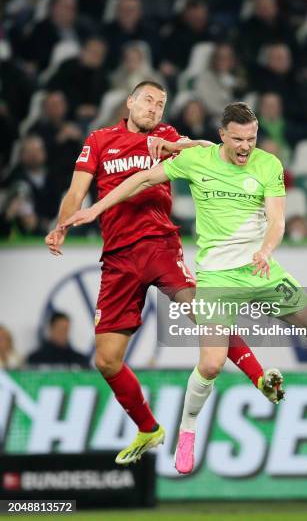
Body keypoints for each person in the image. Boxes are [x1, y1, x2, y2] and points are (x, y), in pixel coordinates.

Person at [62, 101, 307, 476]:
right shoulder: (198, 161)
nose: (246, 146)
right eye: (238, 139)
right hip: (217, 277)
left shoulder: (268, 165)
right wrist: (96, 208)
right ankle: (187, 432)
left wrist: (265, 250)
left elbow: (277, 220)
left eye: (251, 138)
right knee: (212, 364)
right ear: (222, 136)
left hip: (261, 269)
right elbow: (142, 179)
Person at [46, 82, 282, 466]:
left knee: (206, 313)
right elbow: (76, 193)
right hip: (118, 258)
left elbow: (212, 149)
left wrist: (178, 146)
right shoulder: (100, 139)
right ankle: (148, 428)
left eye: (161, 103)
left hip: (159, 245)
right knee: (106, 360)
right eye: (148, 100)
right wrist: (62, 225)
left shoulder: (166, 136)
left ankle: (259, 377)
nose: (154, 108)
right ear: (130, 102)